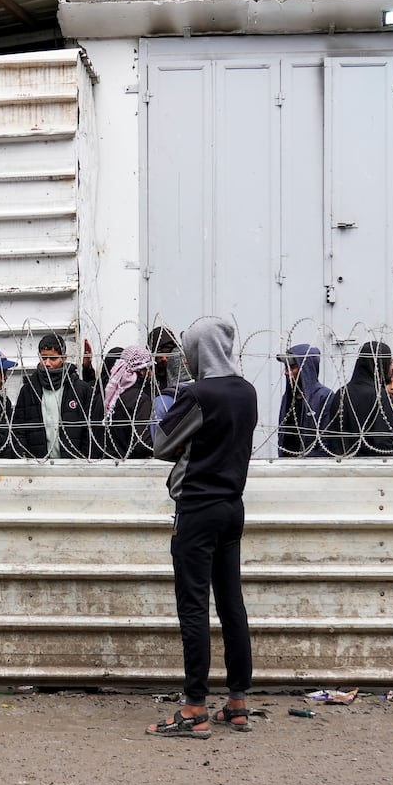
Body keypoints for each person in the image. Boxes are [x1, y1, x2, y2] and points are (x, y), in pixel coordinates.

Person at [147, 316, 258, 739]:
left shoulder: (198, 393)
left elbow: (161, 445)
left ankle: (194, 707)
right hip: (233, 508)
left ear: (197, 352)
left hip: (196, 511)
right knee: (232, 604)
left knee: (193, 607)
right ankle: (238, 702)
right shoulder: (246, 392)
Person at [12, 333, 99, 458]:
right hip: (38, 466)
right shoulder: (29, 390)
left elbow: (89, 429)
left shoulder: (79, 390)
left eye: (53, 358)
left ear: (64, 358)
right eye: (43, 358)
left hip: (72, 466)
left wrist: (82, 458)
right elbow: (19, 429)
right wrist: (25, 458)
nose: (47, 363)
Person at [319, 340, 393, 457]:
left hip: (343, 466)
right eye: (390, 362)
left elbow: (335, 438)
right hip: (373, 469)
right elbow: (383, 441)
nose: (392, 368)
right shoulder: (380, 396)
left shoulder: (342, 393)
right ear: (379, 363)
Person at [100, 344, 157, 459]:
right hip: (131, 466)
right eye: (149, 368)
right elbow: (141, 444)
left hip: (108, 461)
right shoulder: (140, 399)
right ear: (141, 371)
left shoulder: (110, 397)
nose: (151, 373)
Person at [274, 344, 331, 457]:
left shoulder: (323, 397)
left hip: (311, 468)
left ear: (306, 369)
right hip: (286, 465)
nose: (286, 372)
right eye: (286, 368)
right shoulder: (288, 398)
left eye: (292, 367)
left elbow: (326, 441)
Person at [148, 326, 190, 394]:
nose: (164, 358)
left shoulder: (183, 377)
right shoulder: (148, 381)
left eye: (168, 353)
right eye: (160, 353)